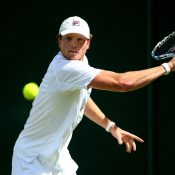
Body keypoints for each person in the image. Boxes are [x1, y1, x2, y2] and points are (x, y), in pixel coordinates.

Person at [12, 16, 175, 175]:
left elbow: (81, 98)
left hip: (58, 158)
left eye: (80, 39)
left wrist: (110, 126)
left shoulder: (81, 63)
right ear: (59, 41)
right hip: (31, 161)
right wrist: (167, 66)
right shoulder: (65, 69)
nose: (73, 44)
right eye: (68, 38)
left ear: (88, 42)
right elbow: (122, 83)